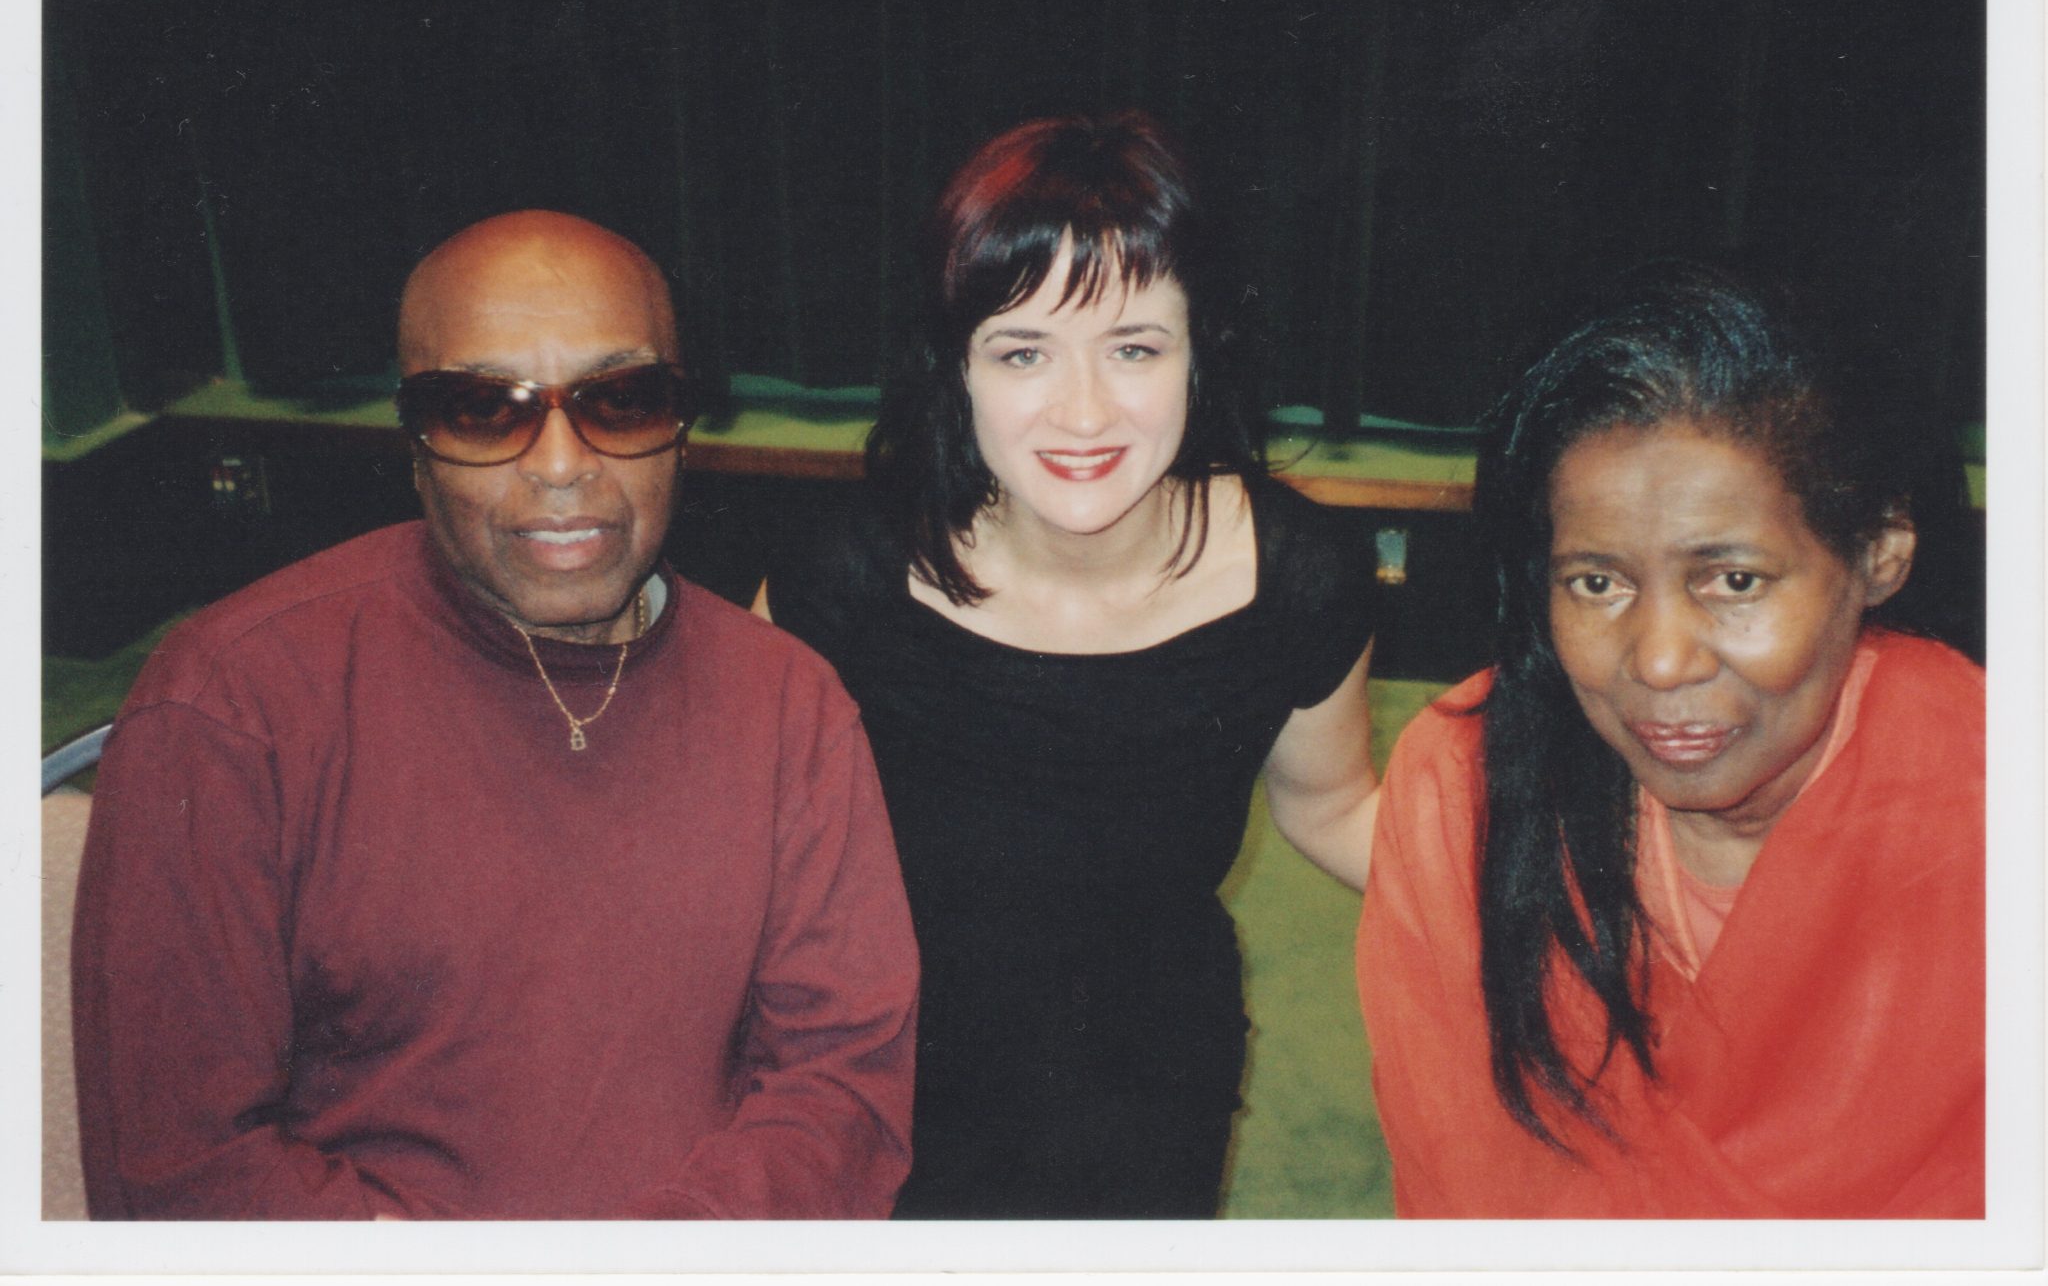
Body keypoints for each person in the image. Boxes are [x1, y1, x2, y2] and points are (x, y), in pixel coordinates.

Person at [71, 210, 919, 1220]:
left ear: (681, 427)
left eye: (622, 398)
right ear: (415, 443)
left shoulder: (790, 705)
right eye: (483, 408)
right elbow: (176, 1159)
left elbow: (839, 1086)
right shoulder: (232, 704)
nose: (562, 463)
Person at [756, 112, 1380, 1218]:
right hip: (876, 1059)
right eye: (1022, 351)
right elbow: (728, 835)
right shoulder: (843, 576)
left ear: (1199, 352)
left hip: (1151, 1062)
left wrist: (1571, 894)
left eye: (1134, 346)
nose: (1082, 411)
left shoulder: (1298, 575)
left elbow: (1332, 807)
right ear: (956, 367)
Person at [1357, 262, 1984, 1217]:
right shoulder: (1464, 788)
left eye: (1733, 581)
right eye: (1596, 583)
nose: (1656, 663)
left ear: (1878, 554)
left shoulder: (1992, 799)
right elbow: (1464, 1193)